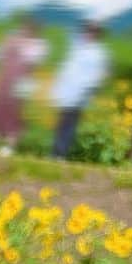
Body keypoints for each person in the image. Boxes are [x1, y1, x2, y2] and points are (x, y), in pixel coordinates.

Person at [0, 16, 47, 155]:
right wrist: (5, 45)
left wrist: (19, 46)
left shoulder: (39, 44)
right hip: (5, 77)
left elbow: (33, 61)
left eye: (29, 28)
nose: (25, 31)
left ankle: (10, 145)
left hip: (23, 82)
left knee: (16, 112)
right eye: (23, 28)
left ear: (35, 30)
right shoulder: (11, 38)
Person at [51, 21, 109, 160]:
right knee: (62, 123)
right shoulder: (79, 48)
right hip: (68, 90)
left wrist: (87, 87)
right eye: (87, 32)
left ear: (97, 35)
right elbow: (67, 68)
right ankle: (54, 153)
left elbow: (101, 74)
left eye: (91, 32)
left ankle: (61, 154)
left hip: (81, 93)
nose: (88, 34)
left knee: (69, 123)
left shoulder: (99, 53)